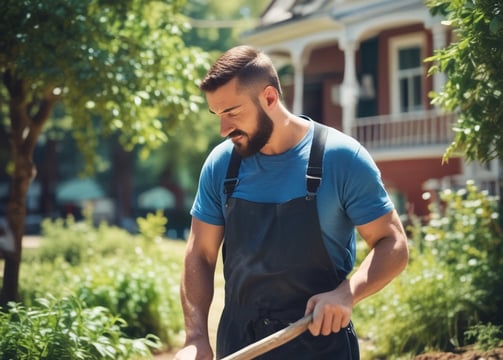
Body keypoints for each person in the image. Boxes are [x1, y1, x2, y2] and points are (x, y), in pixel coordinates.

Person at [175, 45, 409, 360]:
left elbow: (393, 243)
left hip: (320, 346)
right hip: (241, 346)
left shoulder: (340, 158)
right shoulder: (221, 165)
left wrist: (346, 294)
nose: (224, 129)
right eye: (218, 115)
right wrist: (195, 337)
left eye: (232, 113)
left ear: (269, 98)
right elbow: (200, 255)